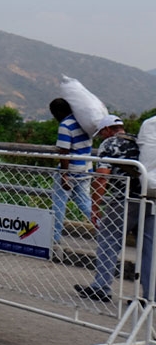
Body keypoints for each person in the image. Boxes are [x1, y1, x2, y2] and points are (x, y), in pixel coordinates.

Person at [74, 115, 154, 303]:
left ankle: (101, 287)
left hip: (124, 200)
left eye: (102, 133)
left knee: (108, 240)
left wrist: (95, 206)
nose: (102, 137)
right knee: (149, 249)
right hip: (150, 199)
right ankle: (150, 296)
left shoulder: (110, 144)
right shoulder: (139, 142)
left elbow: (102, 176)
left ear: (108, 130)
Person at [50, 97, 93, 244]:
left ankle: (54, 237)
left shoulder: (65, 125)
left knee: (59, 204)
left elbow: (64, 152)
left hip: (71, 170)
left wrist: (64, 175)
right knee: (85, 203)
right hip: (86, 169)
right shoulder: (83, 122)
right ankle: (105, 228)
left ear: (57, 112)